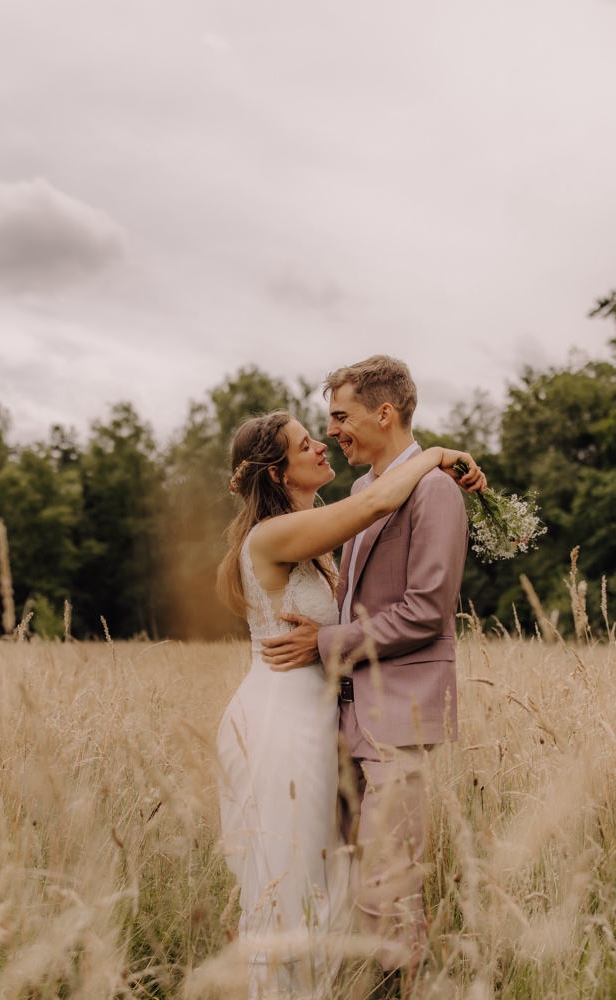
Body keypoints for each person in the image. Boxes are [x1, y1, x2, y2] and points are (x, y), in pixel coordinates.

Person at [216, 405, 483, 999]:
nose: (322, 445)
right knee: (291, 873)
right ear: (280, 474)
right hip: (282, 716)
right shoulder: (274, 534)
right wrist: (434, 456)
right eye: (305, 443)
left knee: (325, 867)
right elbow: (373, 505)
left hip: (320, 716)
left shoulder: (310, 539)